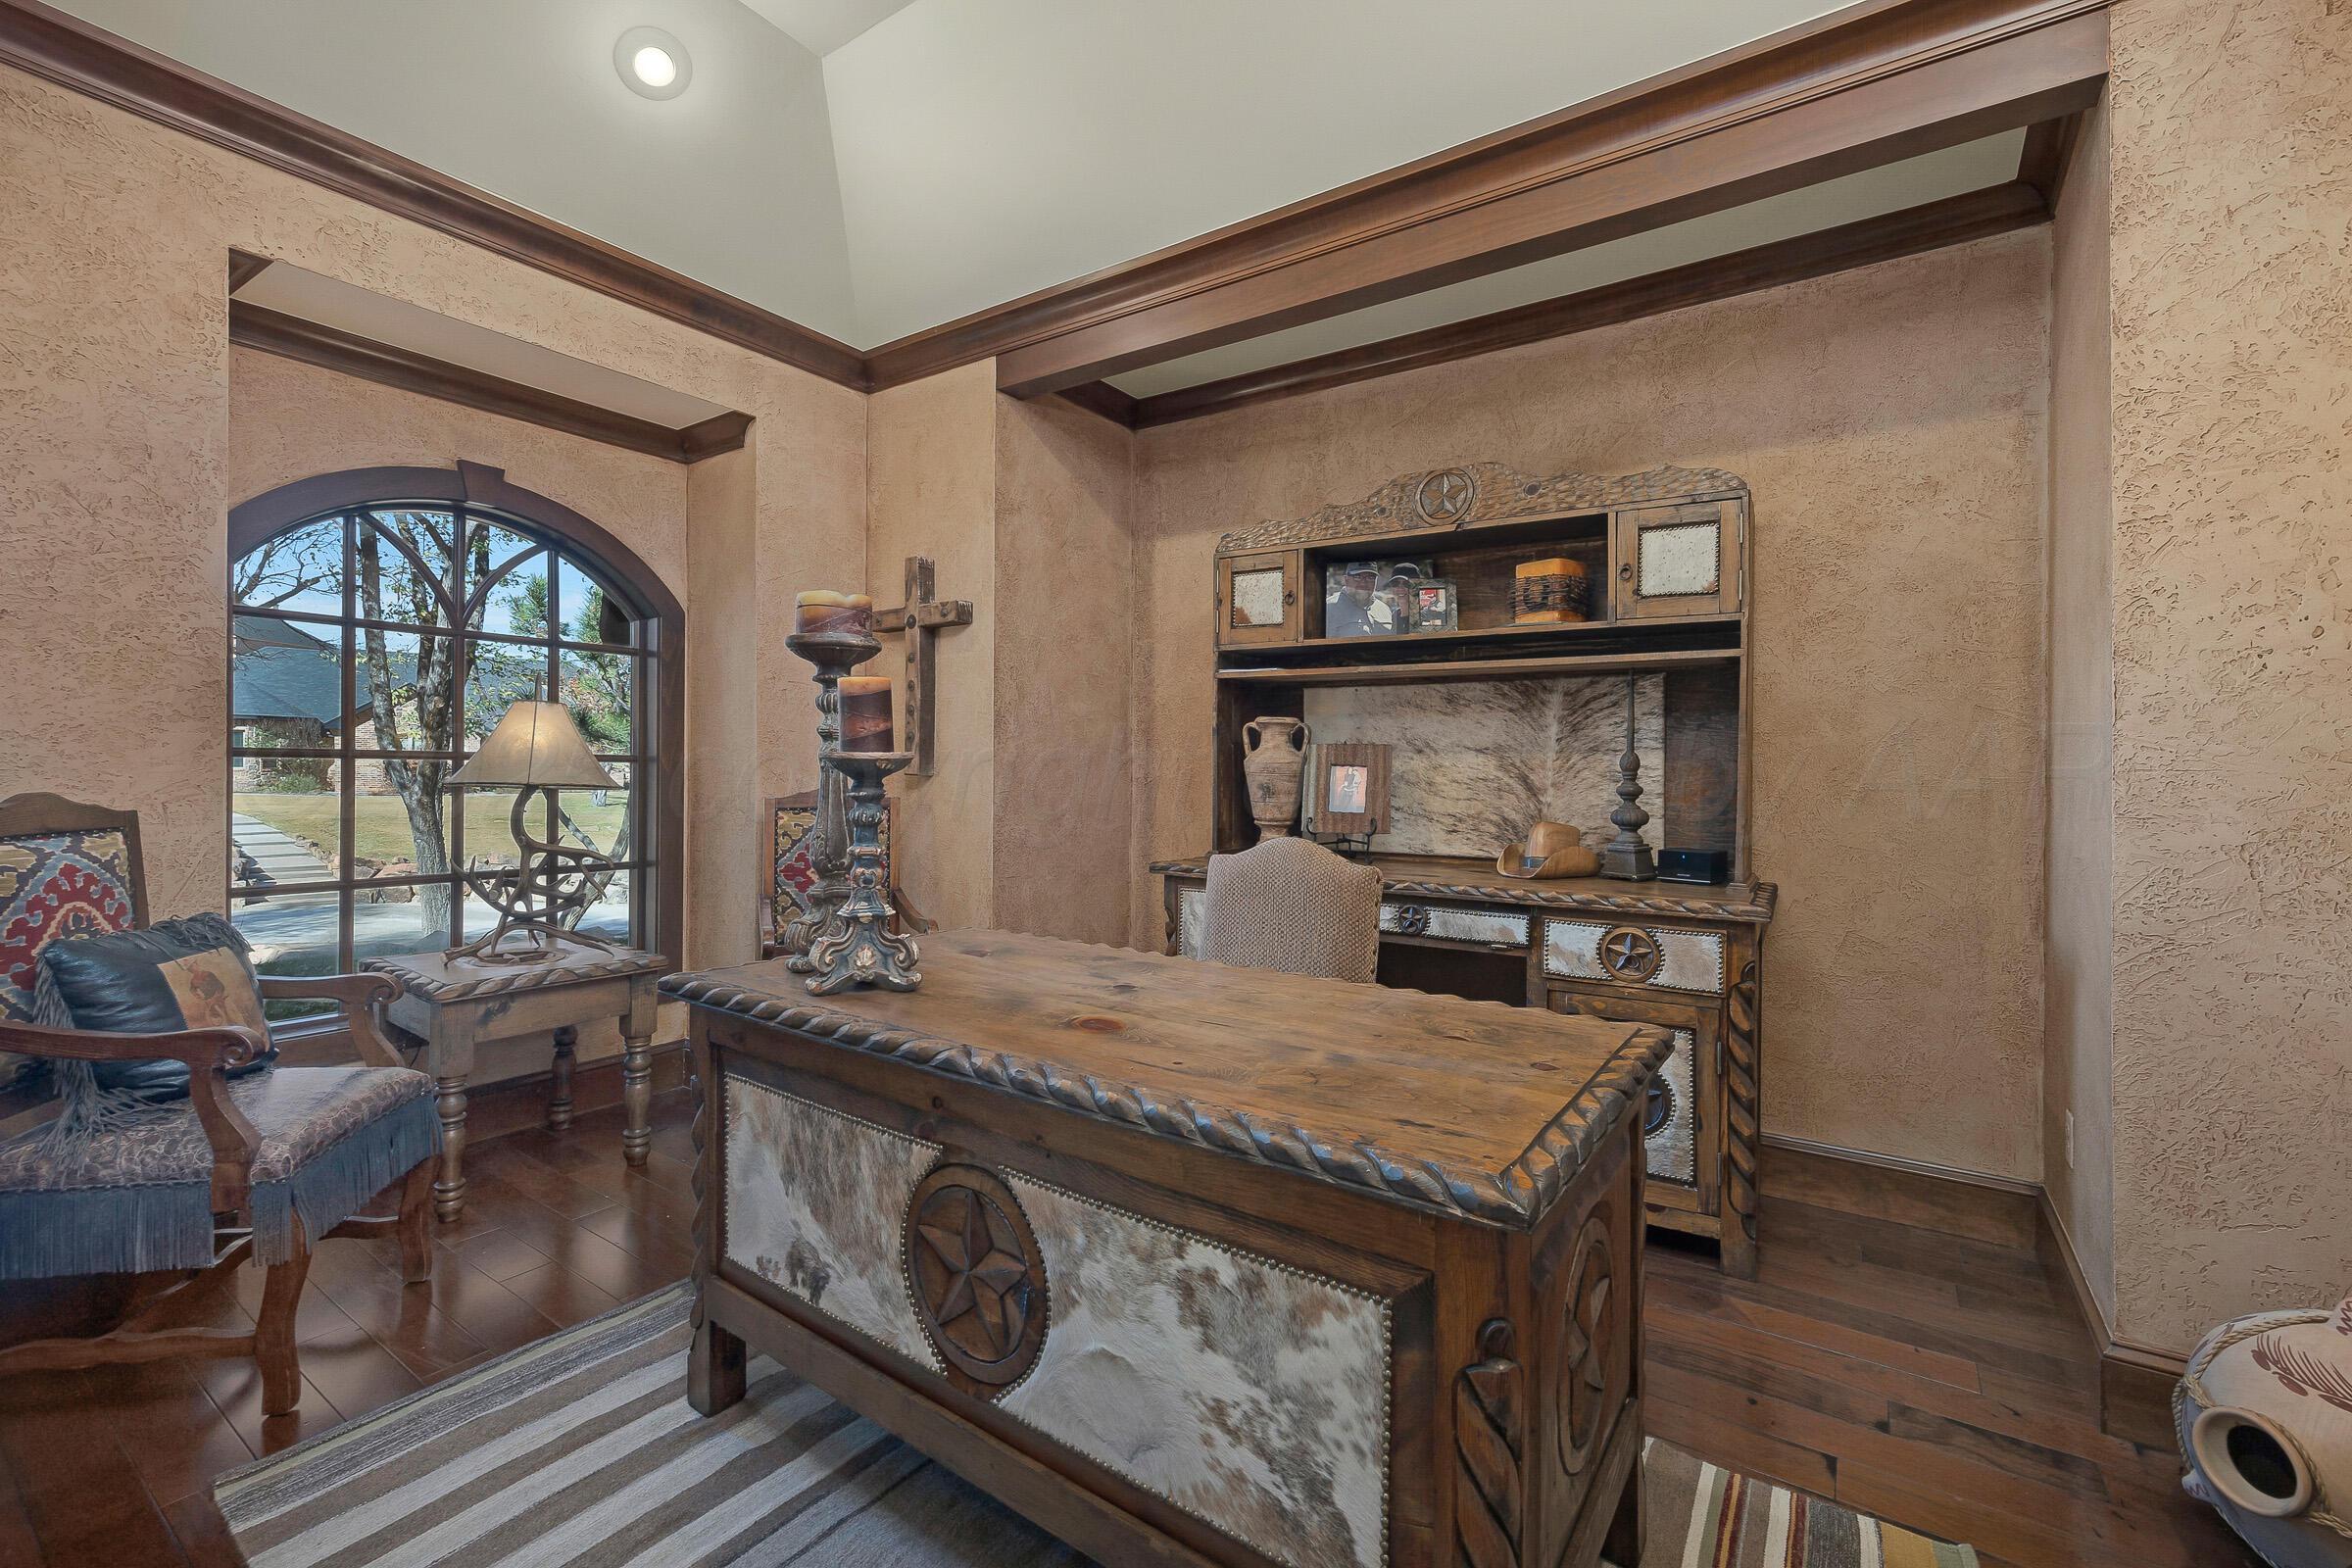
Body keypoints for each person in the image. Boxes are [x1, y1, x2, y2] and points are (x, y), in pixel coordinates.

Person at [1325, 563, 1392, 637]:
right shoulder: (1328, 608)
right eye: (1357, 577)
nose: (1363, 583)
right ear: (1346, 580)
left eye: (1370, 578)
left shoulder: (1384, 609)